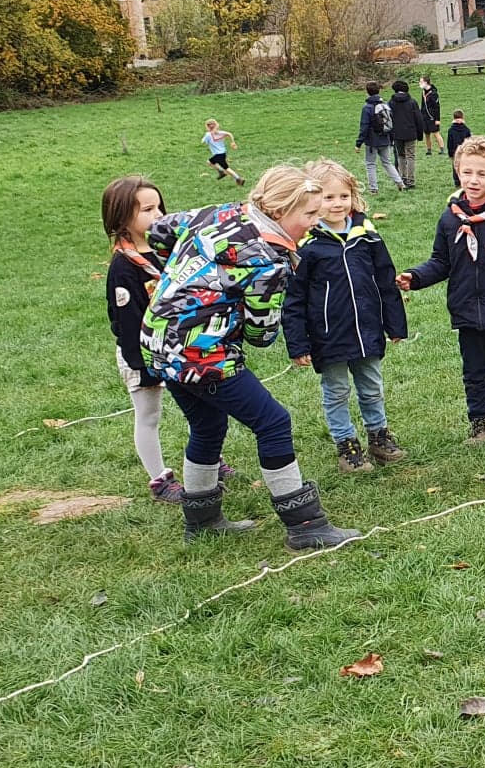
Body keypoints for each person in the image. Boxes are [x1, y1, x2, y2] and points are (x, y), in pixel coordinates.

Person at [143, 165, 360, 551]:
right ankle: (305, 525)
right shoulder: (267, 259)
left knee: (207, 425)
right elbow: (262, 334)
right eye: (309, 214)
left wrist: (175, 278)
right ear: (278, 211)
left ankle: (202, 522)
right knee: (273, 422)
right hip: (201, 353)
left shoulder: (218, 213)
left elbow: (158, 231)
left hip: (157, 341)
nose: (316, 221)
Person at [398, 136, 485, 444]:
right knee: (474, 372)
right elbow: (441, 261)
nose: (473, 180)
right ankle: (480, 423)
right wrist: (416, 277)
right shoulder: (450, 218)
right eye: (467, 172)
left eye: (482, 174)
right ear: (457, 171)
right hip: (466, 310)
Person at [284, 161, 409, 474]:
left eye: (343, 196)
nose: (337, 203)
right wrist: (298, 344)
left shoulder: (367, 235)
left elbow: (385, 279)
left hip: (367, 331)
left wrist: (394, 323)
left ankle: (379, 436)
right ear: (312, 200)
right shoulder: (306, 245)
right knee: (337, 391)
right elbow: (294, 299)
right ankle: (347, 444)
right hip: (329, 335)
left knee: (372, 387)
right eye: (328, 197)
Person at [102, 176, 183, 504]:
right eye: (147, 210)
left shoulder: (170, 249)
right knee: (149, 415)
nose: (158, 214)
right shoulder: (124, 267)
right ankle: (159, 479)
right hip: (142, 353)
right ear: (122, 218)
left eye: (159, 206)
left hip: (181, 346)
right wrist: (143, 364)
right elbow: (126, 321)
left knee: (201, 407)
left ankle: (208, 459)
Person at [387, 79, 430, 190]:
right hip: (410, 133)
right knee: (410, 156)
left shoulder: (391, 103)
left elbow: (388, 119)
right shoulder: (412, 102)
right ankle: (410, 180)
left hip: (397, 133)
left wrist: (390, 134)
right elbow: (419, 119)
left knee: (401, 156)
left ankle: (403, 178)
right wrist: (420, 134)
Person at [358, 82, 400, 194]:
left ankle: (374, 188)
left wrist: (359, 143)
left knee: (370, 164)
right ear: (379, 91)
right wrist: (391, 139)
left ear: (367, 92)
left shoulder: (367, 108)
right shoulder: (385, 106)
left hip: (372, 141)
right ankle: (399, 182)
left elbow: (364, 126)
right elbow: (391, 123)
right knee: (387, 162)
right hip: (385, 138)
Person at [200, 120, 244, 186]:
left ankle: (236, 178)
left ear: (208, 126)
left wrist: (207, 136)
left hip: (218, 154)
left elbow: (202, 142)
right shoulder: (221, 133)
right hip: (223, 153)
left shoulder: (208, 134)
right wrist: (233, 142)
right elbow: (229, 134)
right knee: (211, 163)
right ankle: (224, 173)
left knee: (225, 168)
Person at [444, 111, 472, 186]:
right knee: (465, 166)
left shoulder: (451, 130)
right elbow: (470, 141)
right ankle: (465, 180)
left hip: (455, 151)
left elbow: (449, 142)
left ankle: (457, 181)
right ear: (463, 117)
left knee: (455, 166)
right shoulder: (466, 129)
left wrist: (450, 153)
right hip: (465, 151)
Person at [419, 75, 444, 155]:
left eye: (421, 82)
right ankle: (429, 150)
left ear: (426, 82)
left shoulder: (433, 93)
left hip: (432, 117)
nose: (419, 83)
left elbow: (437, 107)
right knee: (426, 134)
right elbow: (423, 105)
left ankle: (442, 149)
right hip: (424, 116)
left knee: (436, 133)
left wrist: (437, 119)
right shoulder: (423, 92)